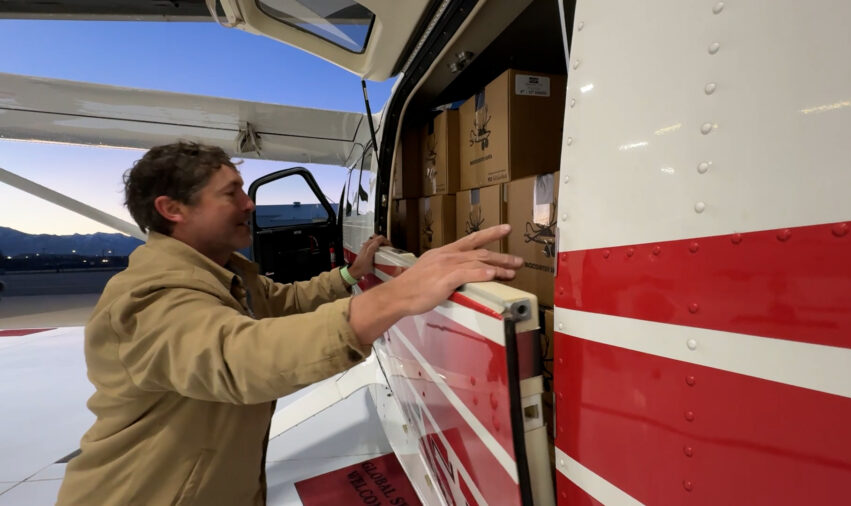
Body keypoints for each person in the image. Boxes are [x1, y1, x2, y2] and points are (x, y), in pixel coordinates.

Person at [56, 142, 522, 505]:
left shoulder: (224, 273)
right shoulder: (151, 296)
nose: (249, 204)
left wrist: (352, 275)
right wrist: (398, 295)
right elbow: (241, 359)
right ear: (172, 210)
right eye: (230, 193)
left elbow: (283, 302)